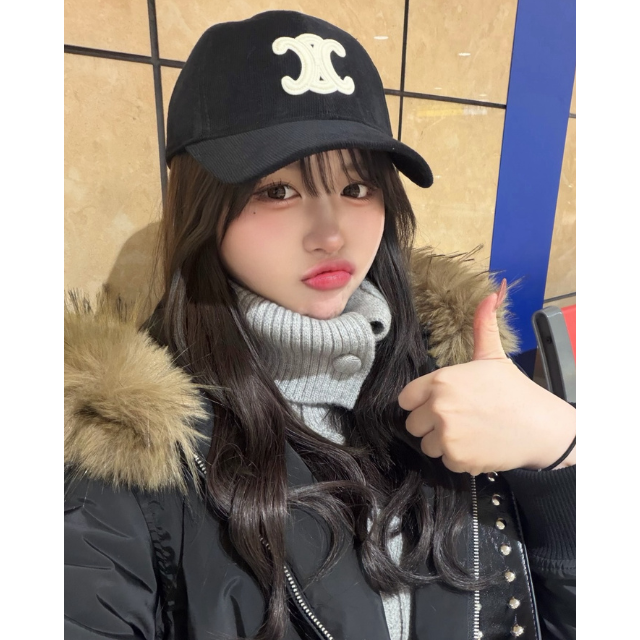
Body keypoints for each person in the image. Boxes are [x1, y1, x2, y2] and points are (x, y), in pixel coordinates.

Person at [64, 10, 576, 640]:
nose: (332, 234)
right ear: (202, 207)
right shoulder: (127, 455)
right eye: (278, 191)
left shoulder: (459, 375)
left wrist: (564, 457)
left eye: (357, 187)